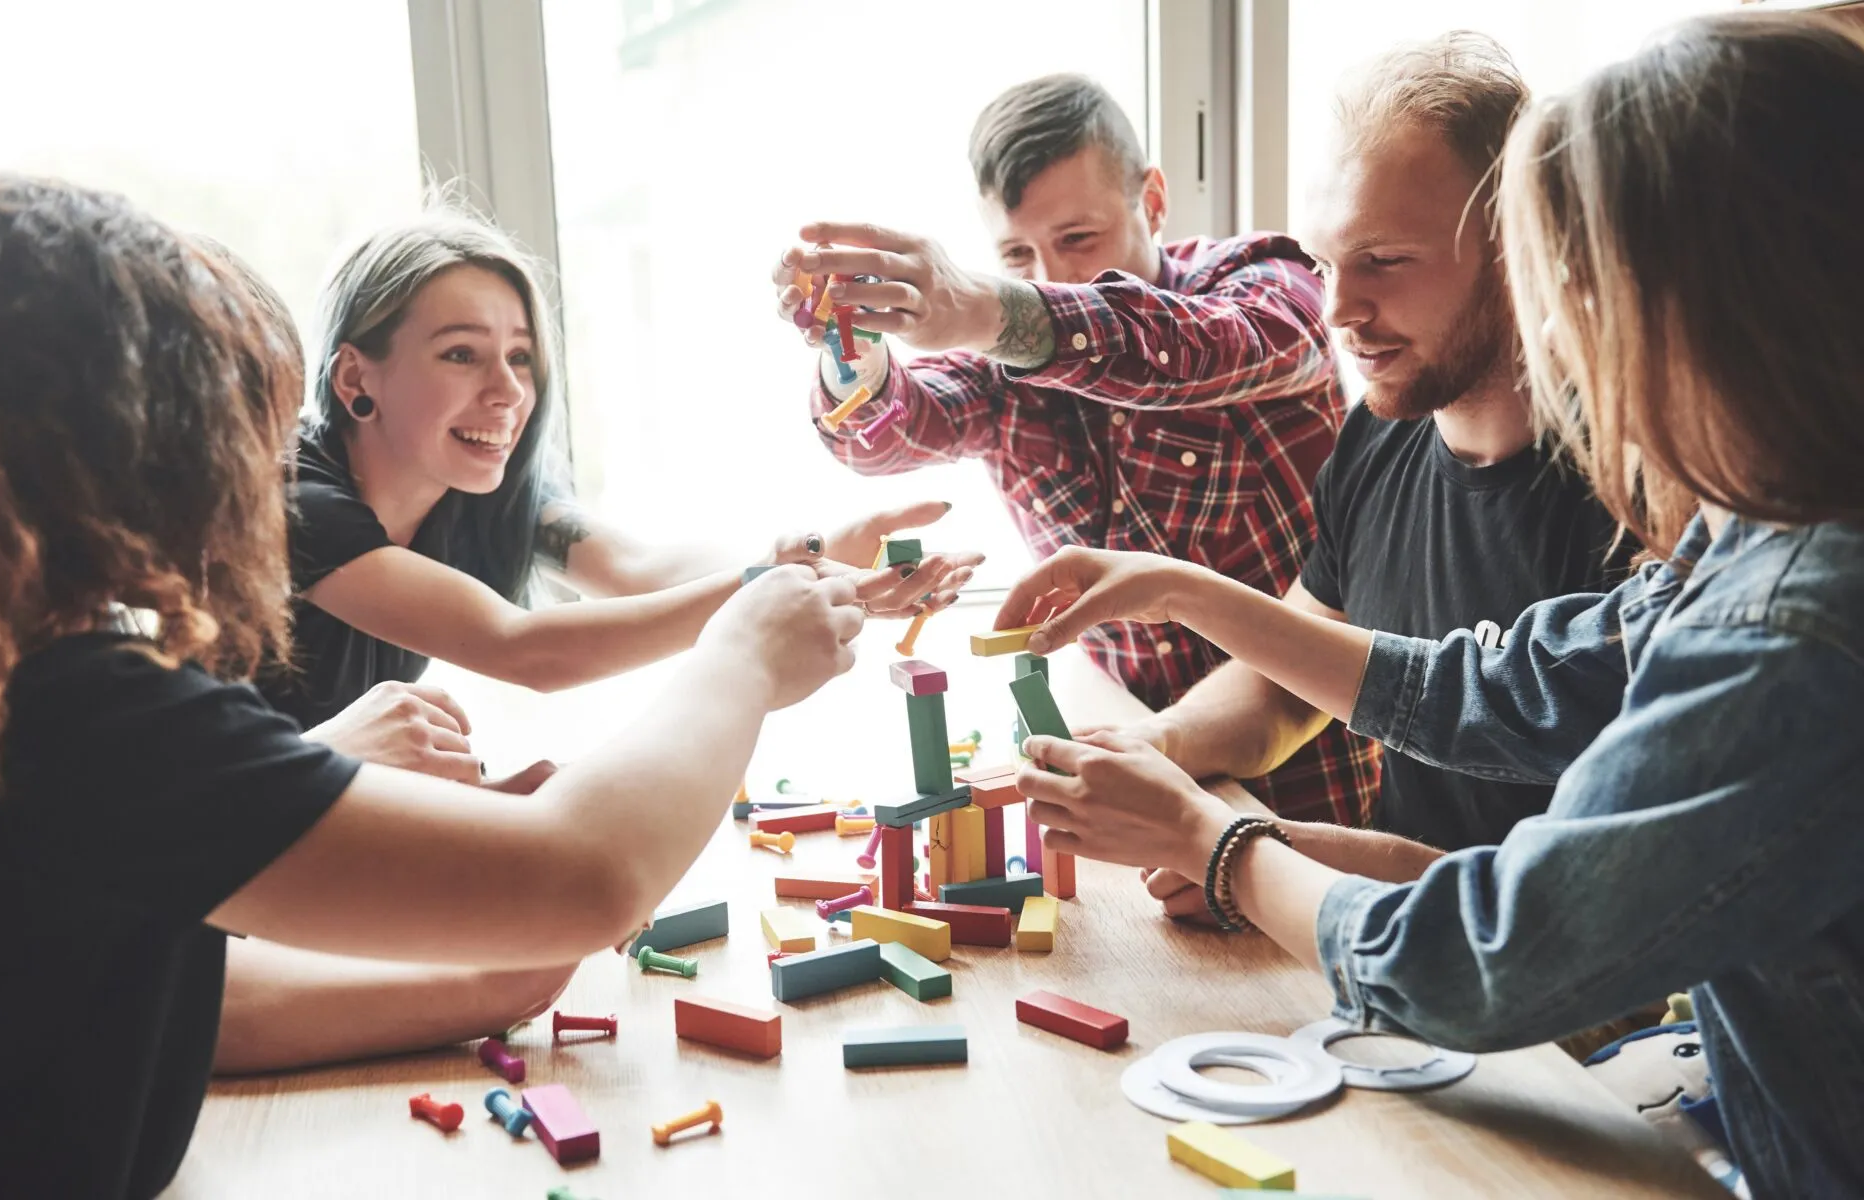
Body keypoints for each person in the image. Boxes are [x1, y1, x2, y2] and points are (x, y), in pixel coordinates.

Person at [994, 13, 1864, 1195]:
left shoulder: (1794, 625)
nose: (1569, 344)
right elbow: (1499, 682)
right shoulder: (1765, 534)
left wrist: (1220, 845)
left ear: (1707, 308)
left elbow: (1498, 958)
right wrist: (1181, 599)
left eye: (1579, 289)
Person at [0, 174, 862, 1196]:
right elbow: (584, 874)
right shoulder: (83, 712)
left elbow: (194, 991)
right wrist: (742, 655)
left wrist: (491, 949)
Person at [1120, 32, 1637, 932]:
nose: (1336, 311)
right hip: (1393, 961)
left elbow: (1600, 923)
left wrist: (1269, 860)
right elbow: (1292, 678)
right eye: (1325, 263)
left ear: (1521, 245)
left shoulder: (1643, 494)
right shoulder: (1376, 437)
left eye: (1385, 261)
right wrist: (1155, 744)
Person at [768, 74, 1378, 826]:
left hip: (1333, 781)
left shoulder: (1264, 283)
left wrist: (994, 308)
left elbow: (1200, 349)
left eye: (1077, 240)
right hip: (1136, 778)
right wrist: (852, 352)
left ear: (1152, 201)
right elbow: (885, 433)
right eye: (1017, 254)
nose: (1051, 277)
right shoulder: (1003, 373)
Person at [265, 206, 980, 740]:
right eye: (461, 354)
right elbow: (526, 652)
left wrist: (814, 562)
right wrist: (770, 583)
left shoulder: (471, 487)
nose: (509, 391)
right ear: (357, 376)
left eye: (520, 357)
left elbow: (640, 567)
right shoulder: (300, 501)